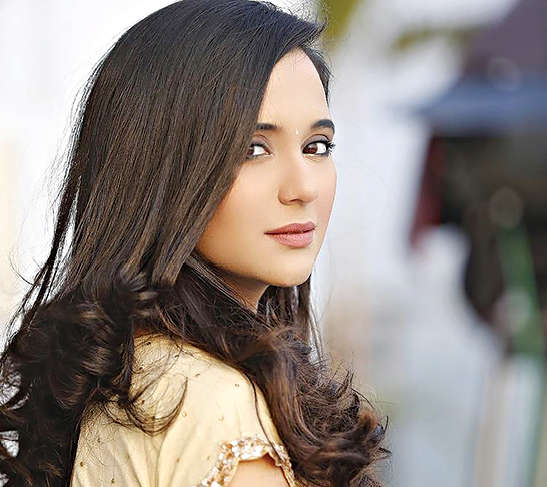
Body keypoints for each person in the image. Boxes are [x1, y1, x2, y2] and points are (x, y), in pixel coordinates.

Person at [0, 1, 391, 486]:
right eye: (253, 149)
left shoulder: (127, 373)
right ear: (161, 169)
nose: (303, 188)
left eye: (317, 147)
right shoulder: (216, 404)